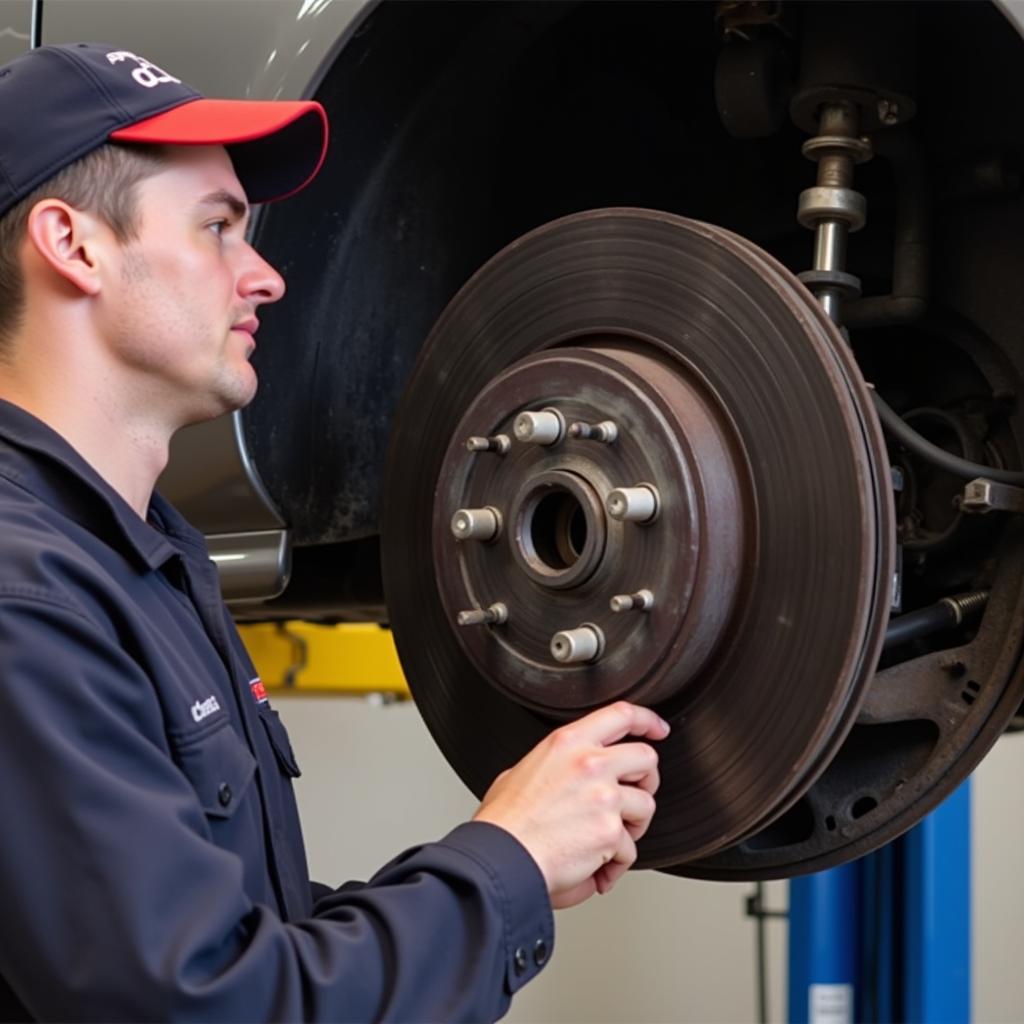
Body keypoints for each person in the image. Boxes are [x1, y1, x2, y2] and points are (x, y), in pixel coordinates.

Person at [0, 43, 669, 1022]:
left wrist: (510, 857)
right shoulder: (26, 597)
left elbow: (245, 941)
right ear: (74, 244)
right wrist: (506, 859)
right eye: (219, 228)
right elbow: (207, 1004)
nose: (265, 275)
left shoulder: (143, 564)